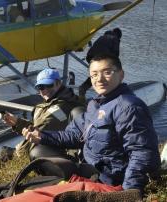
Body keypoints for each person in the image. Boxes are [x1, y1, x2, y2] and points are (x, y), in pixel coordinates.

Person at [22, 54, 161, 193]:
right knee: (39, 151)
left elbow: (142, 153)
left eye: (107, 72)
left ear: (121, 74)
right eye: (94, 75)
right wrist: (43, 136)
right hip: (89, 167)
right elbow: (75, 135)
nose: (99, 79)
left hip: (110, 178)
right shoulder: (96, 104)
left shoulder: (128, 107)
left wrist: (129, 192)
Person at [3, 68, 83, 160]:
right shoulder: (52, 102)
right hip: (48, 146)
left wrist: (17, 154)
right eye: (40, 87)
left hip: (46, 150)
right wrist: (17, 122)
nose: (44, 90)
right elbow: (38, 128)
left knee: (2, 151)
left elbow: (38, 133)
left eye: (48, 85)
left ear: (58, 83)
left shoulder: (60, 108)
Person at [79, 28, 122, 98]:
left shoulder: (102, 37)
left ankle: (84, 87)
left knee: (97, 74)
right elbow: (116, 54)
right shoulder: (115, 38)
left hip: (90, 56)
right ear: (119, 36)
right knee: (109, 73)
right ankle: (108, 93)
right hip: (101, 57)